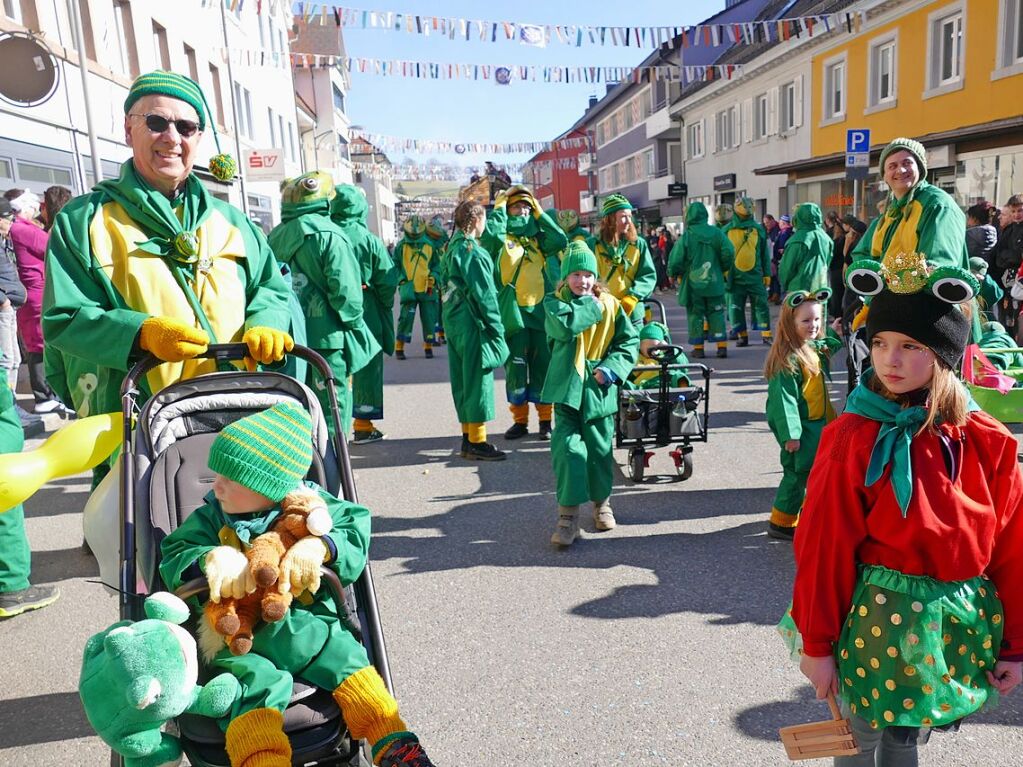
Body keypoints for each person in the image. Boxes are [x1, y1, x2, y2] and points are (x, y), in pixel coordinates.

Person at [781, 282, 1023, 766]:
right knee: (859, 736)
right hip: (872, 624)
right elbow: (824, 546)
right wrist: (817, 643)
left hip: (948, 626)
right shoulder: (851, 436)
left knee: (907, 738)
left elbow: (1012, 546)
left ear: (945, 354)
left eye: (911, 346)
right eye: (879, 343)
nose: (889, 360)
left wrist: (1014, 644)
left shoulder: (986, 440)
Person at [159, 403, 436, 767]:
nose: (217, 486)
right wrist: (209, 558)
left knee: (348, 658)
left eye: (229, 479)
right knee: (253, 687)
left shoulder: (312, 506)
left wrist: (324, 545)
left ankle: (391, 740)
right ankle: (261, 759)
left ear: (271, 487)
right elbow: (174, 550)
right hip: (240, 637)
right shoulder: (212, 516)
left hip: (309, 623)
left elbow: (355, 526)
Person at [42, 71, 294, 422]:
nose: (172, 137)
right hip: (136, 420)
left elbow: (271, 287)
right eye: (157, 122)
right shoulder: (82, 220)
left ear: (199, 137)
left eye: (186, 127)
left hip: (239, 412)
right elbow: (63, 319)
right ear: (129, 130)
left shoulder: (232, 220)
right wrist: (139, 334)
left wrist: (268, 321)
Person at [541, 242, 638, 547]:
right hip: (567, 387)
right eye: (575, 274)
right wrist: (591, 307)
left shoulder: (610, 304)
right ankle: (568, 517)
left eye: (587, 274)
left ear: (595, 276)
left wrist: (611, 367)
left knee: (598, 452)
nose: (581, 280)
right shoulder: (554, 303)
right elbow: (566, 327)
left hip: (598, 387)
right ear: (565, 277)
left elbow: (628, 342)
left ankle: (601, 504)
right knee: (568, 450)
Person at [268, 173, 379, 440]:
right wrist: (353, 324)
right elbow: (346, 294)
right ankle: (331, 472)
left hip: (286, 337)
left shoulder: (274, 235)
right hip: (326, 338)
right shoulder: (330, 235)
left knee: (290, 406)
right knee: (331, 409)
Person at [481, 185, 566, 441]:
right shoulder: (501, 237)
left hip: (540, 312)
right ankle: (520, 421)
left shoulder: (539, 238)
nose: (524, 211)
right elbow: (489, 236)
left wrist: (539, 210)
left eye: (527, 207)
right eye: (517, 206)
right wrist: (498, 207)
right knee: (516, 368)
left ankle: (545, 421)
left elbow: (560, 239)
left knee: (543, 367)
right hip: (513, 313)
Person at [763, 289, 840, 540]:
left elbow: (825, 345)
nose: (814, 325)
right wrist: (791, 435)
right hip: (803, 431)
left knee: (816, 473)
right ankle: (781, 523)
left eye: (817, 319)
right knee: (796, 476)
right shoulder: (787, 361)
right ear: (789, 322)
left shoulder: (810, 348)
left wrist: (834, 332)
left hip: (818, 426)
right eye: (806, 321)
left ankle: (808, 515)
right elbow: (783, 403)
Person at [329, 185, 396, 444]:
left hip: (329, 310)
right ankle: (363, 425)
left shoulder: (324, 232)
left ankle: (333, 432)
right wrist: (384, 304)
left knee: (335, 368)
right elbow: (387, 279)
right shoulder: (368, 239)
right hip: (365, 308)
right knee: (366, 365)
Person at [443, 200, 508, 461]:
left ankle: (467, 437)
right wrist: (496, 326)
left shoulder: (452, 247)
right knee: (478, 380)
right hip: (472, 322)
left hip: (454, 319)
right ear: (476, 220)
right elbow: (485, 295)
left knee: (462, 380)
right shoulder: (473, 250)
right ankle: (477, 441)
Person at [7, 189, 67, 416]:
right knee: (40, 345)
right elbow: (52, 246)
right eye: (32, 205)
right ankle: (44, 395)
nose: (36, 209)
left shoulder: (20, 229)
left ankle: (47, 395)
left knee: (38, 344)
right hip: (35, 295)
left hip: (33, 294)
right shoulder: (23, 229)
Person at [668, 201, 734, 359]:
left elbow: (676, 259)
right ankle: (721, 346)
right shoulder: (717, 233)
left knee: (695, 315)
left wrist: (673, 273)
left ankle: (698, 348)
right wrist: (722, 267)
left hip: (693, 284)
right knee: (717, 312)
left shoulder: (687, 236)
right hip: (715, 281)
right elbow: (729, 252)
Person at [590, 194, 657, 328]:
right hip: (602, 312)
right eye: (623, 217)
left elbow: (648, 275)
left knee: (634, 347)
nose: (628, 221)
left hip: (632, 313)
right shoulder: (592, 245)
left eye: (629, 216)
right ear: (609, 219)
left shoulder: (639, 244)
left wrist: (633, 296)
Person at [725, 197, 773, 346]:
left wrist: (767, 274)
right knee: (736, 307)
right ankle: (742, 335)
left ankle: (766, 334)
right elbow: (721, 254)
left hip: (755, 276)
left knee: (761, 304)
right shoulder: (727, 230)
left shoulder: (758, 229)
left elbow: (764, 253)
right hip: (734, 277)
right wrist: (723, 273)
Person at [392, 215, 440, 360]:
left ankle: (428, 347)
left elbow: (436, 266)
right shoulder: (401, 246)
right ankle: (399, 347)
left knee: (429, 318)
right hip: (409, 289)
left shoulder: (429, 246)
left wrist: (433, 277)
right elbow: (395, 266)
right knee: (405, 318)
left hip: (427, 289)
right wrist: (401, 281)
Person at [779, 203, 833, 294]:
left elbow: (787, 268)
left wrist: (784, 284)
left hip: (799, 290)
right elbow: (828, 261)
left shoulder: (798, 239)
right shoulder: (826, 238)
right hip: (821, 288)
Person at [992, 195, 1023, 332]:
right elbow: (1000, 255)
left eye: (1020, 211)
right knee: (1010, 318)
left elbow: (1016, 256)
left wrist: (1011, 257)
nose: (1016, 215)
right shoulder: (1011, 230)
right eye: (1014, 211)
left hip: (1019, 279)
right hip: (1010, 281)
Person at [425, 215, 449, 345]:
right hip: (432, 281)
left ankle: (440, 334)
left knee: (440, 309)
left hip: (441, 281)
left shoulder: (442, 246)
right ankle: (434, 335)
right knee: (433, 310)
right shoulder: (429, 247)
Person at [969, 257, 1002, 322]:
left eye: (981, 274)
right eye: (972, 272)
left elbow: (997, 295)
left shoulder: (989, 284)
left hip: (985, 314)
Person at [770, 214, 794, 303]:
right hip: (782, 260)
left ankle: (784, 299)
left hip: (781, 260)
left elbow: (781, 248)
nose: (779, 224)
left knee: (782, 280)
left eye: (780, 223)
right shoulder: (789, 232)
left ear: (784, 223)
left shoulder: (785, 233)